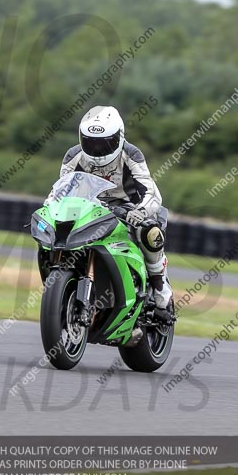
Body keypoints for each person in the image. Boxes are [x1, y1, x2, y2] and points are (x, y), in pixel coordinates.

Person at [55, 105, 175, 324]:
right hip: (88, 207)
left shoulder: (131, 154)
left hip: (128, 208)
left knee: (151, 232)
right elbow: (61, 190)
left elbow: (151, 191)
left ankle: (160, 288)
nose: (98, 148)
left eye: (105, 142)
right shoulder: (73, 156)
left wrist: (140, 211)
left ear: (119, 137)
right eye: (91, 142)